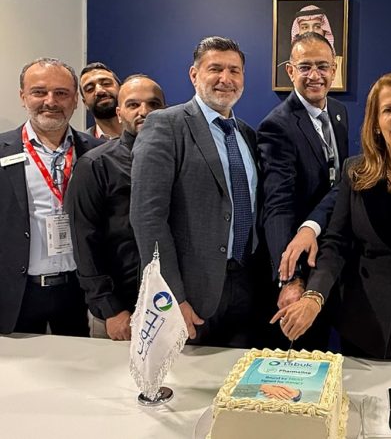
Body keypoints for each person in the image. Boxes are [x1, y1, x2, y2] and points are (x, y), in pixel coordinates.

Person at [272, 73, 391, 360]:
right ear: (375, 122)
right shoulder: (354, 172)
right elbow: (335, 244)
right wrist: (314, 296)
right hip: (362, 320)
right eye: (388, 109)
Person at [131, 36, 274, 349]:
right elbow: (148, 218)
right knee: (188, 378)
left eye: (234, 71)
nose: (226, 78)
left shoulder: (247, 134)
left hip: (246, 285)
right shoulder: (165, 125)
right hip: (190, 296)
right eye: (215, 69)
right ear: (194, 75)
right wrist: (172, 297)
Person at [258, 32, 349, 350]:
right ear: (290, 71)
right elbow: (278, 206)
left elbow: (339, 183)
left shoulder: (339, 112)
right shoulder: (277, 125)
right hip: (301, 260)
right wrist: (290, 278)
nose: (315, 75)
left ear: (334, 70)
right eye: (305, 66)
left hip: (332, 254)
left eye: (322, 66)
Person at [0, 57, 102, 336]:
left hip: (78, 293)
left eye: (61, 93)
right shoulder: (1, 151)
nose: (50, 101)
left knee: (79, 362)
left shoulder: (97, 152)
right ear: (23, 96)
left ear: (76, 100)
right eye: (39, 92)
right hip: (16, 294)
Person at [65, 75, 166, 340]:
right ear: (119, 113)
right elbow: (84, 243)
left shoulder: (179, 161)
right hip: (121, 310)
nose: (144, 111)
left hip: (171, 304)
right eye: (133, 105)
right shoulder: (95, 165)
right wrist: (110, 308)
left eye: (153, 104)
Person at [287, 5, 343, 89]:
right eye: (304, 27)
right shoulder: (289, 66)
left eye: (317, 27)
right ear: (291, 71)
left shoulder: (341, 63)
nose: (311, 31)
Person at [79, 62, 122, 139]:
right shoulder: (78, 145)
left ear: (122, 90)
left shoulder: (143, 132)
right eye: (90, 89)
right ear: (85, 103)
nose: (99, 91)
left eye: (106, 83)